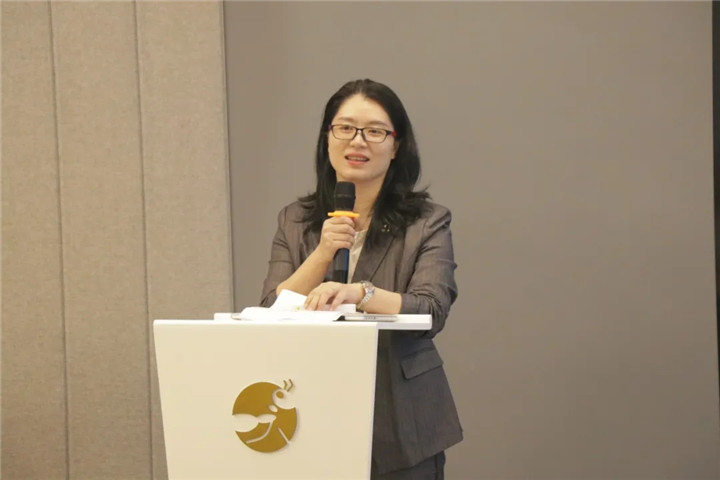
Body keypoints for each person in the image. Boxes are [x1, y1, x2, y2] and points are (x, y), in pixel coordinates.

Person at [260, 79, 462, 479]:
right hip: (312, 411)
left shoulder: (427, 222)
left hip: (401, 419)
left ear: (396, 145)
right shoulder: (295, 220)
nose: (358, 141)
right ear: (327, 138)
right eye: (345, 128)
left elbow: (431, 309)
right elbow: (270, 309)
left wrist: (359, 294)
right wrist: (322, 252)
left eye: (375, 131)